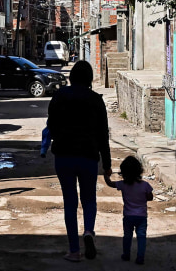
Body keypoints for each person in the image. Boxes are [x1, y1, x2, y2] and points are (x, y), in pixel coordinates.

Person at [46, 60, 112, 262]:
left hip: (64, 156)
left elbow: (51, 124)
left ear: (72, 76)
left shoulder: (59, 96)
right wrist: (107, 166)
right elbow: (103, 135)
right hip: (88, 156)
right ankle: (89, 231)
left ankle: (74, 251)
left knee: (70, 202)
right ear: (90, 78)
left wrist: (58, 139)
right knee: (89, 199)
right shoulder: (96, 100)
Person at [104, 156, 153, 265]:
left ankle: (126, 254)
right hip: (141, 216)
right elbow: (150, 197)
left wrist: (106, 176)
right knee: (141, 236)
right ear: (139, 170)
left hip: (128, 216)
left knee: (127, 236)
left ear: (123, 172)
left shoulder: (123, 184)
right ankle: (140, 257)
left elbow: (110, 183)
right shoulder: (145, 185)